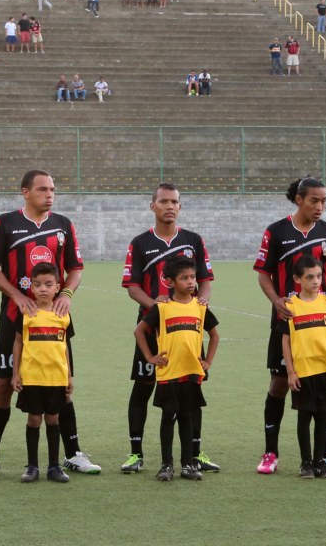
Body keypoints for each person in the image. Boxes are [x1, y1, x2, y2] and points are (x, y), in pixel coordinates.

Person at [0, 170, 99, 477]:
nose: (50, 194)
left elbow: (75, 268)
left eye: (53, 189)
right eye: (43, 189)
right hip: (15, 317)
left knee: (61, 382)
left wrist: (66, 294)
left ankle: (73, 454)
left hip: (54, 319)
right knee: (5, 382)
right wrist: (17, 296)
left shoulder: (63, 225)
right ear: (25, 192)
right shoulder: (6, 223)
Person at [254, 178, 326, 475]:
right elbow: (263, 274)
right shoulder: (276, 231)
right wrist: (277, 301)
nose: (320, 206)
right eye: (314, 200)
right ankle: (271, 452)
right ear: (299, 200)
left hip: (320, 325)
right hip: (288, 322)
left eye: (324, 201)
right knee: (279, 383)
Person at [119, 183, 216, 474]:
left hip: (187, 330)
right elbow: (133, 287)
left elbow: (205, 280)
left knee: (191, 388)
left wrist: (200, 303)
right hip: (153, 329)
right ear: (153, 206)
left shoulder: (193, 240)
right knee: (143, 387)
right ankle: (136, 454)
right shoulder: (140, 243)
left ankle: (195, 454)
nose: (169, 206)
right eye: (163, 201)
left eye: (174, 202)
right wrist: (158, 309)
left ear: (180, 206)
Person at [133, 256, 220, 482]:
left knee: (187, 416)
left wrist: (208, 361)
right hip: (169, 373)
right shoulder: (162, 308)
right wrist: (150, 357)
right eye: (184, 278)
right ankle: (166, 465)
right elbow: (139, 331)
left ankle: (188, 464)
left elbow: (214, 334)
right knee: (169, 416)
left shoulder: (200, 307)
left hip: (191, 373)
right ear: (170, 282)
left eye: (192, 277)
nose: (190, 282)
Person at [281, 256, 326, 480]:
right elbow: (286, 341)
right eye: (310, 277)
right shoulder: (290, 306)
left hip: (325, 371)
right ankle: (306, 462)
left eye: (319, 276)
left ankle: (319, 461)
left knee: (324, 417)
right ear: (297, 279)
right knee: (304, 417)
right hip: (303, 372)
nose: (316, 281)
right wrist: (290, 372)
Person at [12, 263, 75, 483]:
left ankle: (54, 467)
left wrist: (69, 376)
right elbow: (18, 342)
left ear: (57, 287)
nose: (43, 289)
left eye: (48, 284)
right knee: (34, 419)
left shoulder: (63, 314)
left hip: (56, 377)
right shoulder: (26, 313)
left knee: (53, 418)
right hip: (32, 377)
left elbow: (65, 347)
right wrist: (16, 373)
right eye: (37, 285)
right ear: (31, 287)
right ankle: (32, 467)